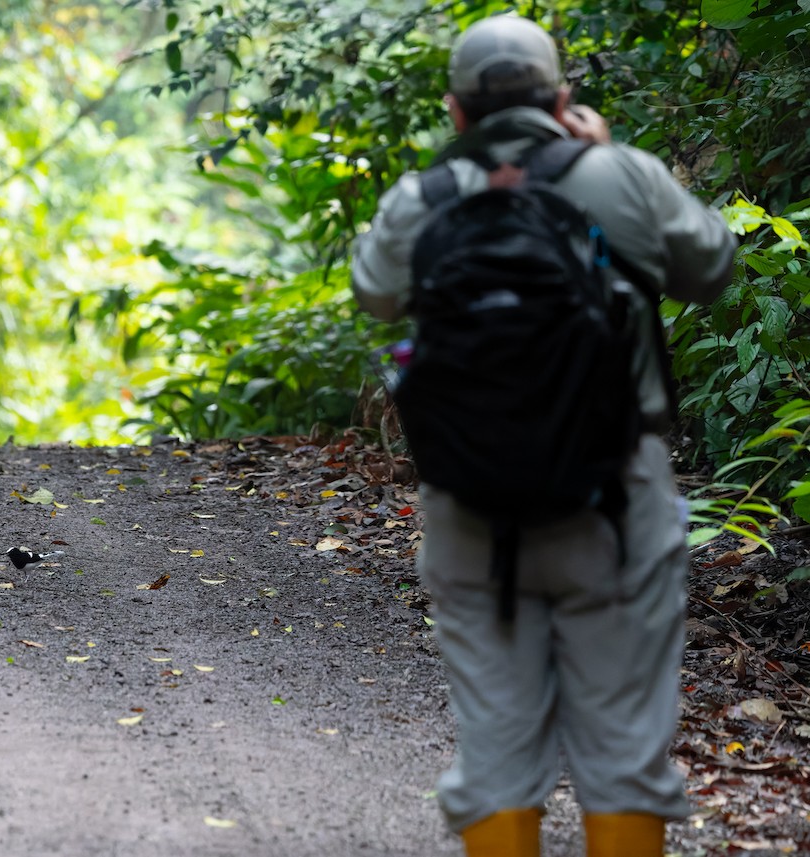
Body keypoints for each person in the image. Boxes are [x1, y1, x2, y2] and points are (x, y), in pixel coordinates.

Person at [350, 14, 736, 857]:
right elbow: (711, 266)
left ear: (456, 113)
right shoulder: (618, 176)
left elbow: (374, 293)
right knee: (626, 749)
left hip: (470, 509)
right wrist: (613, 155)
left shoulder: (422, 199)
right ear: (561, 99)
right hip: (614, 498)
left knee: (495, 744)